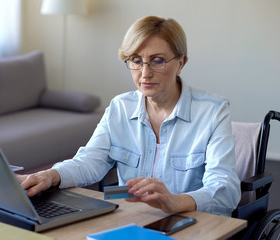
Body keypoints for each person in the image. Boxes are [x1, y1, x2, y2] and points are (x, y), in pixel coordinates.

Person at [17, 16, 241, 216]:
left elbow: (226, 191)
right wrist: (50, 175)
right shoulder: (120, 107)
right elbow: (90, 161)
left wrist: (174, 201)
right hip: (132, 218)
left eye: (158, 60)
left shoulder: (213, 111)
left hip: (192, 221)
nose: (145, 73)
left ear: (180, 63)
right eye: (135, 60)